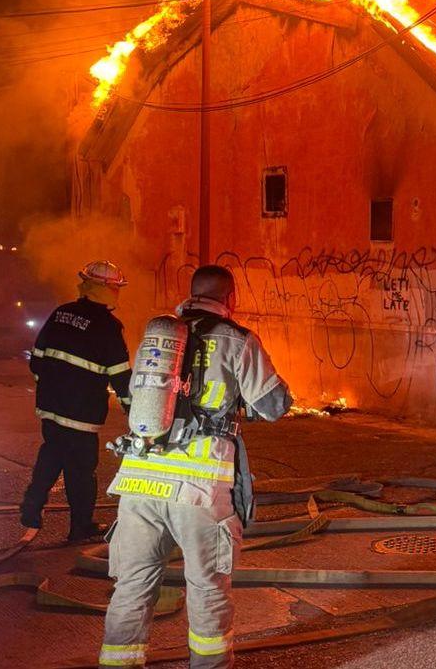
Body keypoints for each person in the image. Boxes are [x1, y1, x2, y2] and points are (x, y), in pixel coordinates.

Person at [99, 265, 292, 668]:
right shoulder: (238, 340)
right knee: (207, 588)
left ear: (191, 294)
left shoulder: (161, 337)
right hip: (199, 491)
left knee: (132, 588)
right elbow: (274, 406)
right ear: (230, 298)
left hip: (139, 482)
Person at [21, 260, 131, 543]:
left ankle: (32, 505)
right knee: (80, 470)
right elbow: (121, 376)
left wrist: (50, 387)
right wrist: (134, 410)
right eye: (115, 288)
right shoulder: (108, 326)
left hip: (50, 407)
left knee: (52, 452)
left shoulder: (61, 313)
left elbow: (36, 358)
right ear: (108, 290)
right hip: (81, 412)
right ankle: (80, 527)